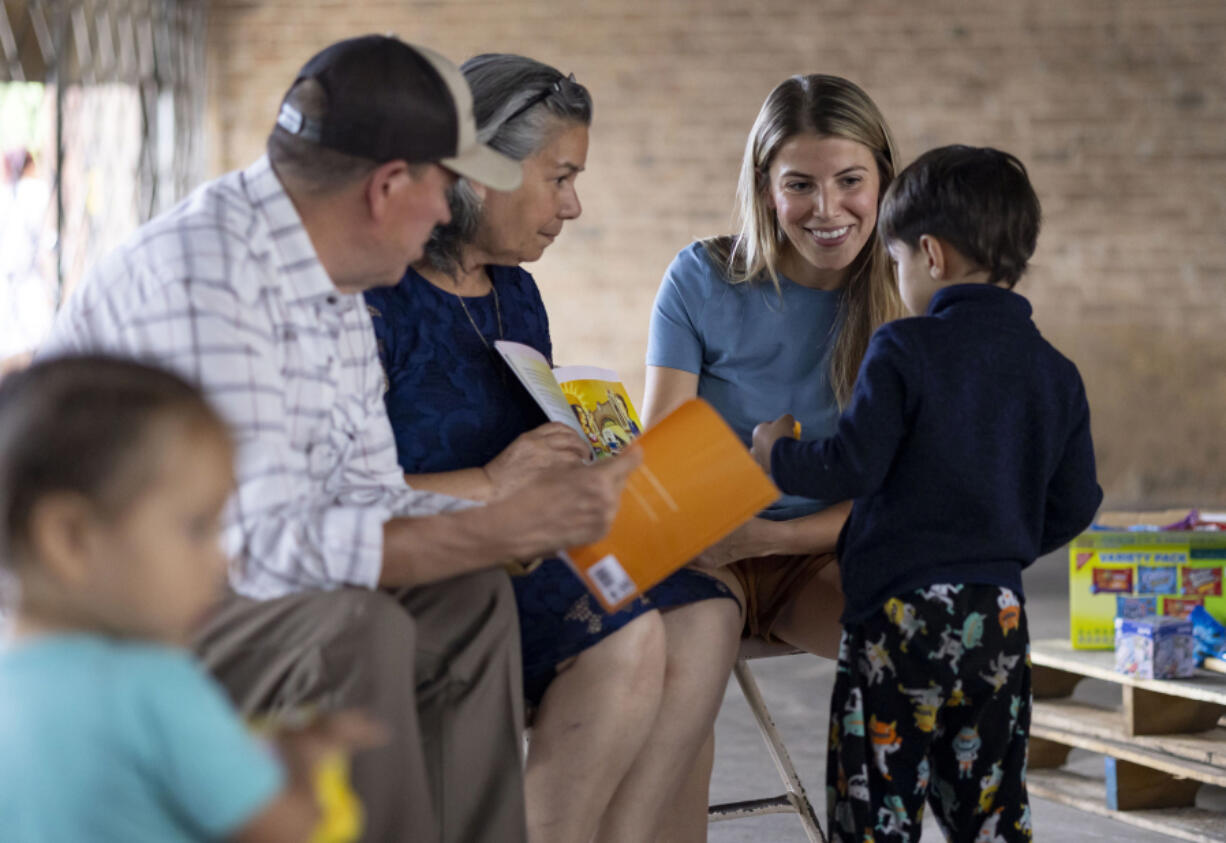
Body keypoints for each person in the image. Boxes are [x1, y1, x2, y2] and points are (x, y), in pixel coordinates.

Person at [39, 36, 638, 843]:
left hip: (227, 579)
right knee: (361, 630)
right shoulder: (208, 273)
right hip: (110, 610)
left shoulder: (336, 278)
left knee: (466, 595)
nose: (444, 216)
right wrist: (492, 522)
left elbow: (365, 488)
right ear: (389, 187)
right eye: (448, 188)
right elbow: (262, 547)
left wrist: (503, 520)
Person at [364, 54, 741, 843]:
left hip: (531, 548)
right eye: (559, 177)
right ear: (478, 173)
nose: (573, 205)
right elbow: (340, 496)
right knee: (632, 634)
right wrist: (495, 480)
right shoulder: (376, 296)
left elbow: (535, 446)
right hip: (438, 566)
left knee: (709, 610)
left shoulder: (515, 291)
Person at [750, 145, 1103, 841]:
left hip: (897, 618)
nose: (899, 276)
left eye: (899, 260)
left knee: (878, 805)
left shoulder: (904, 348)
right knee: (992, 806)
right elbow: (1076, 501)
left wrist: (776, 454)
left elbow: (850, 465)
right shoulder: (1056, 372)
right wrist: (998, 543)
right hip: (996, 620)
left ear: (932, 256)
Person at [642, 74, 906, 831]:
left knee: (909, 651)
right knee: (680, 681)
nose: (828, 209)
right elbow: (664, 446)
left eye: (850, 180)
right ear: (765, 188)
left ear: (883, 176)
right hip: (703, 547)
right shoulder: (701, 277)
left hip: (821, 547)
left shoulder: (902, 296)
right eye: (800, 184)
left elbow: (896, 492)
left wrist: (775, 535)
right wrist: (723, 534)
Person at [0, 354, 379, 842]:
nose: (224, 561)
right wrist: (301, 764)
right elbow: (282, 830)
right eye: (198, 528)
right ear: (70, 538)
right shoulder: (152, 687)